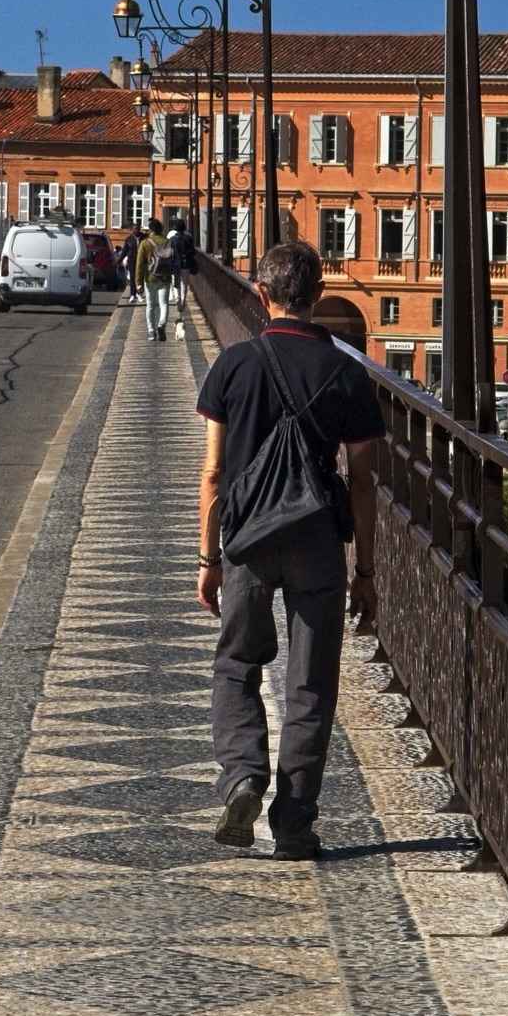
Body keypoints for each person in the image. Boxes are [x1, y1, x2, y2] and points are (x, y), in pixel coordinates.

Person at [196, 239, 383, 859]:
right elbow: (363, 481)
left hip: (248, 540)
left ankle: (243, 777)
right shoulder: (347, 372)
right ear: (318, 295)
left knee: (236, 663)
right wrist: (366, 571)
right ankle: (295, 824)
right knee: (310, 684)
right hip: (318, 540)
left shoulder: (234, 365)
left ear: (261, 294)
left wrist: (208, 558)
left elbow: (214, 473)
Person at [134, 217, 179, 341]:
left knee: (150, 305)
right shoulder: (168, 242)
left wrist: (138, 283)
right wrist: (177, 279)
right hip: (165, 277)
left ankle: (151, 332)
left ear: (150, 229)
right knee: (164, 304)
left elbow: (139, 265)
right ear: (161, 229)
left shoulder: (145, 243)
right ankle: (162, 325)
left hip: (150, 278)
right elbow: (175, 262)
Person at [167, 211, 196, 315]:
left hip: (175, 263)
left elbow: (168, 252)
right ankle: (183, 301)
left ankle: (177, 297)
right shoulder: (188, 238)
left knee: (175, 281)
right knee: (184, 282)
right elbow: (193, 251)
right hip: (186, 263)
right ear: (184, 227)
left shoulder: (172, 239)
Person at [119, 225, 145, 303]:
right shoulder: (129, 239)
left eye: (138, 229)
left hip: (142, 260)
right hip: (132, 259)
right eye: (134, 229)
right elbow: (125, 251)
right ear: (131, 230)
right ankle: (132, 294)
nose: (136, 230)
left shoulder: (144, 237)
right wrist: (119, 260)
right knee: (132, 277)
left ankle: (140, 293)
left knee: (141, 277)